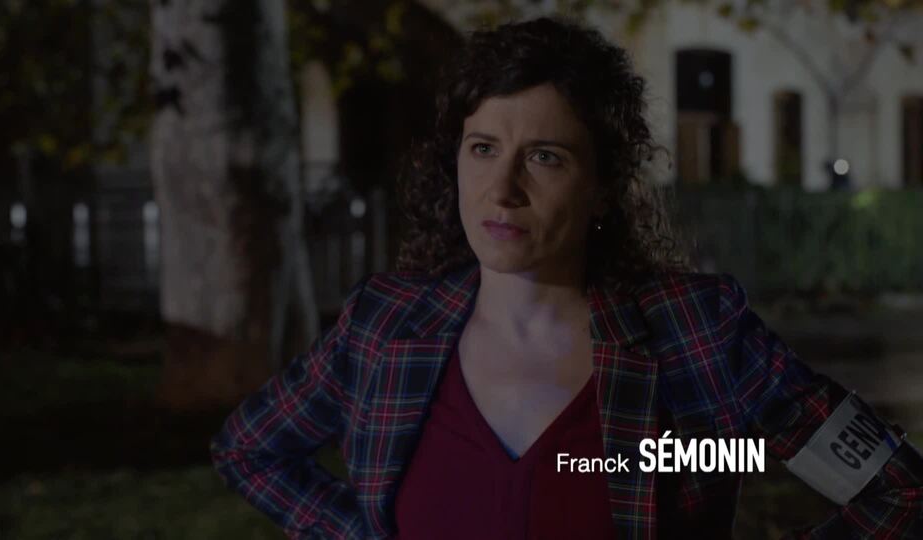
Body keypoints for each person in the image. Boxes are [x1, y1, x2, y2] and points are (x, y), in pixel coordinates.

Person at [210, 17, 923, 539]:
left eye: (544, 157)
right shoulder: (383, 326)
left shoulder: (694, 333)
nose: (502, 190)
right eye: (483, 148)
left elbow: (896, 491)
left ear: (604, 186)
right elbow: (250, 448)